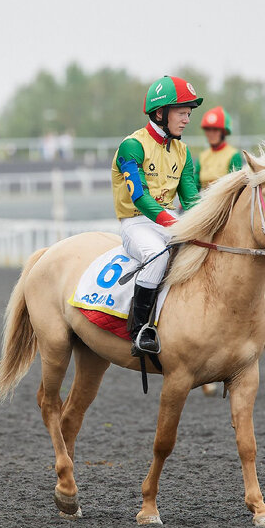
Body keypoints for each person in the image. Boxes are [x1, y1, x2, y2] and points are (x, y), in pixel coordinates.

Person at [110, 76, 203, 356]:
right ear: (160, 113)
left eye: (189, 114)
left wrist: (207, 223)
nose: (187, 119)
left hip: (169, 222)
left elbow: (191, 199)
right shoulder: (132, 146)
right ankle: (139, 331)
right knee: (158, 255)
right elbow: (139, 196)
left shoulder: (184, 151)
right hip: (137, 222)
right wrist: (175, 223)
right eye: (182, 113)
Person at [197, 105, 244, 188]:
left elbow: (236, 187)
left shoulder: (233, 155)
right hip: (204, 199)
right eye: (208, 129)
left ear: (224, 132)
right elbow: (194, 186)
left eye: (215, 130)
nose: (211, 134)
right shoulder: (202, 156)